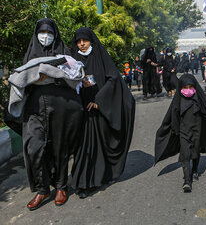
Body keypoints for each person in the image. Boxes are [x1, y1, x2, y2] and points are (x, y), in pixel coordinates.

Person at [18, 18, 84, 210]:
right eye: (42, 32)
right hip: (35, 109)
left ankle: (61, 186)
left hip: (60, 106)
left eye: (50, 33)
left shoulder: (64, 54)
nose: (45, 37)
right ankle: (42, 188)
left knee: (59, 148)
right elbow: (22, 79)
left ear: (55, 36)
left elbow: (75, 77)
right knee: (34, 147)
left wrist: (55, 75)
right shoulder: (30, 55)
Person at [70, 27, 135, 198]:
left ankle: (99, 179)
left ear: (91, 40)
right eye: (78, 41)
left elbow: (112, 78)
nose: (82, 44)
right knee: (83, 149)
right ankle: (83, 183)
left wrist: (99, 101)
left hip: (100, 110)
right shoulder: (73, 58)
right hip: (82, 110)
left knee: (100, 146)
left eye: (84, 40)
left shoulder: (100, 55)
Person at [155, 74, 206, 192]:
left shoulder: (199, 98)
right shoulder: (178, 99)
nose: (188, 90)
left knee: (196, 150)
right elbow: (173, 114)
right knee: (185, 153)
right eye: (185, 87)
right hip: (183, 131)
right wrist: (175, 130)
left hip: (197, 129)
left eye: (190, 87)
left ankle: (195, 171)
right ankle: (187, 180)